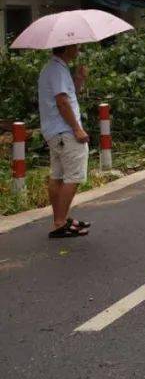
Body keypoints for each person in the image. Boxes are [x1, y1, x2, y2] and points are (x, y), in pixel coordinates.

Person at [37, 44, 91, 238]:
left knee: (58, 175)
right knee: (74, 176)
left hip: (55, 132)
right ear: (67, 48)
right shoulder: (57, 70)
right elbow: (62, 102)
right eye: (76, 46)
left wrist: (79, 78)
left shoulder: (54, 68)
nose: (79, 48)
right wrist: (77, 128)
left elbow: (69, 95)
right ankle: (60, 221)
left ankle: (60, 219)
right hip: (65, 132)